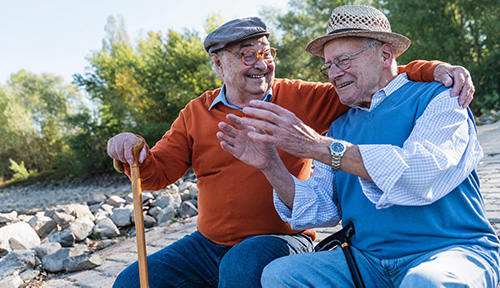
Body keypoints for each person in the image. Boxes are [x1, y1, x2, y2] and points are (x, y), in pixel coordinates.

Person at [107, 15, 475, 288]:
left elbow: (376, 79)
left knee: (243, 265)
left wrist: (434, 69)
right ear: (218, 64)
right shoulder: (195, 113)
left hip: (281, 238)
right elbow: (155, 175)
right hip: (208, 242)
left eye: (266, 52)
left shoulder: (304, 97)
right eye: (246, 54)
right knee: (130, 282)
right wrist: (133, 150)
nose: (261, 63)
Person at [217, 5, 500, 287]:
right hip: (367, 263)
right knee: (280, 275)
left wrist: (319, 146)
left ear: (385, 54)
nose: (333, 74)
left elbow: (417, 172)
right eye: (328, 65)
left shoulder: (441, 97)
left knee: (425, 281)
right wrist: (271, 166)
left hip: (450, 251)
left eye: (343, 60)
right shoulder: (340, 125)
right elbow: (321, 209)